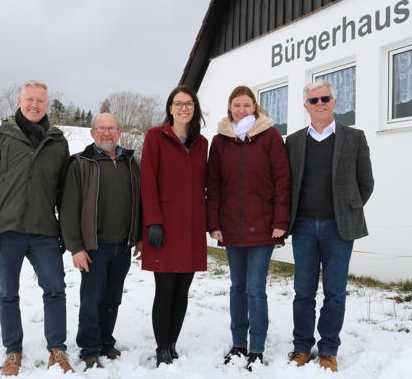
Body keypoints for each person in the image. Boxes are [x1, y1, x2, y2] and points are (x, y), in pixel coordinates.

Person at [0, 80, 74, 376]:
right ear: (20, 101)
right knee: (7, 293)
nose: (34, 105)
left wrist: (66, 232)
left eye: (40, 101)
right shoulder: (2, 137)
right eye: (30, 99)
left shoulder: (57, 141)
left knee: (55, 289)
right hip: (8, 229)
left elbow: (63, 192)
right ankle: (13, 352)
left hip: (44, 231)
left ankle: (57, 349)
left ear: (47, 104)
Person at [286, 80, 374, 372]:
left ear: (335, 102)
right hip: (303, 228)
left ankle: (328, 349)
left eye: (325, 98)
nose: (320, 103)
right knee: (303, 291)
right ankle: (301, 347)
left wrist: (347, 210)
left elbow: (366, 182)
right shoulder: (294, 141)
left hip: (339, 229)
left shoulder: (354, 138)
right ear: (306, 106)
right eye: (314, 100)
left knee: (335, 292)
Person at [207, 85, 290, 370]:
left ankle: (256, 346)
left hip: (264, 226)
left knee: (256, 289)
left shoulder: (270, 136)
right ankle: (238, 343)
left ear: (254, 107)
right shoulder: (219, 141)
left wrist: (280, 221)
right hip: (230, 226)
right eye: (236, 105)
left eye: (246, 105)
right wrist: (214, 223)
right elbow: (213, 185)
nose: (241, 110)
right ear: (229, 108)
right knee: (236, 288)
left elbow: (282, 180)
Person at [60, 113, 142, 371]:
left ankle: (106, 341)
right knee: (92, 299)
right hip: (94, 247)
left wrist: (137, 236)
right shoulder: (81, 164)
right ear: (93, 132)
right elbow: (69, 209)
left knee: (113, 298)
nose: (107, 133)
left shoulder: (131, 162)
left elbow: (140, 202)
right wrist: (76, 247)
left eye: (112, 128)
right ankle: (89, 348)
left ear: (119, 132)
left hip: (122, 246)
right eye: (102, 128)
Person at [140, 84, 208, 367]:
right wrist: (153, 221)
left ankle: (172, 343)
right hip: (164, 227)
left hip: (192, 226)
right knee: (165, 287)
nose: (184, 108)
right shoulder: (155, 137)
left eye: (189, 104)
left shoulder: (202, 143)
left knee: (183, 289)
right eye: (178, 103)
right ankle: (161, 346)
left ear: (195, 109)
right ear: (170, 108)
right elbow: (148, 180)